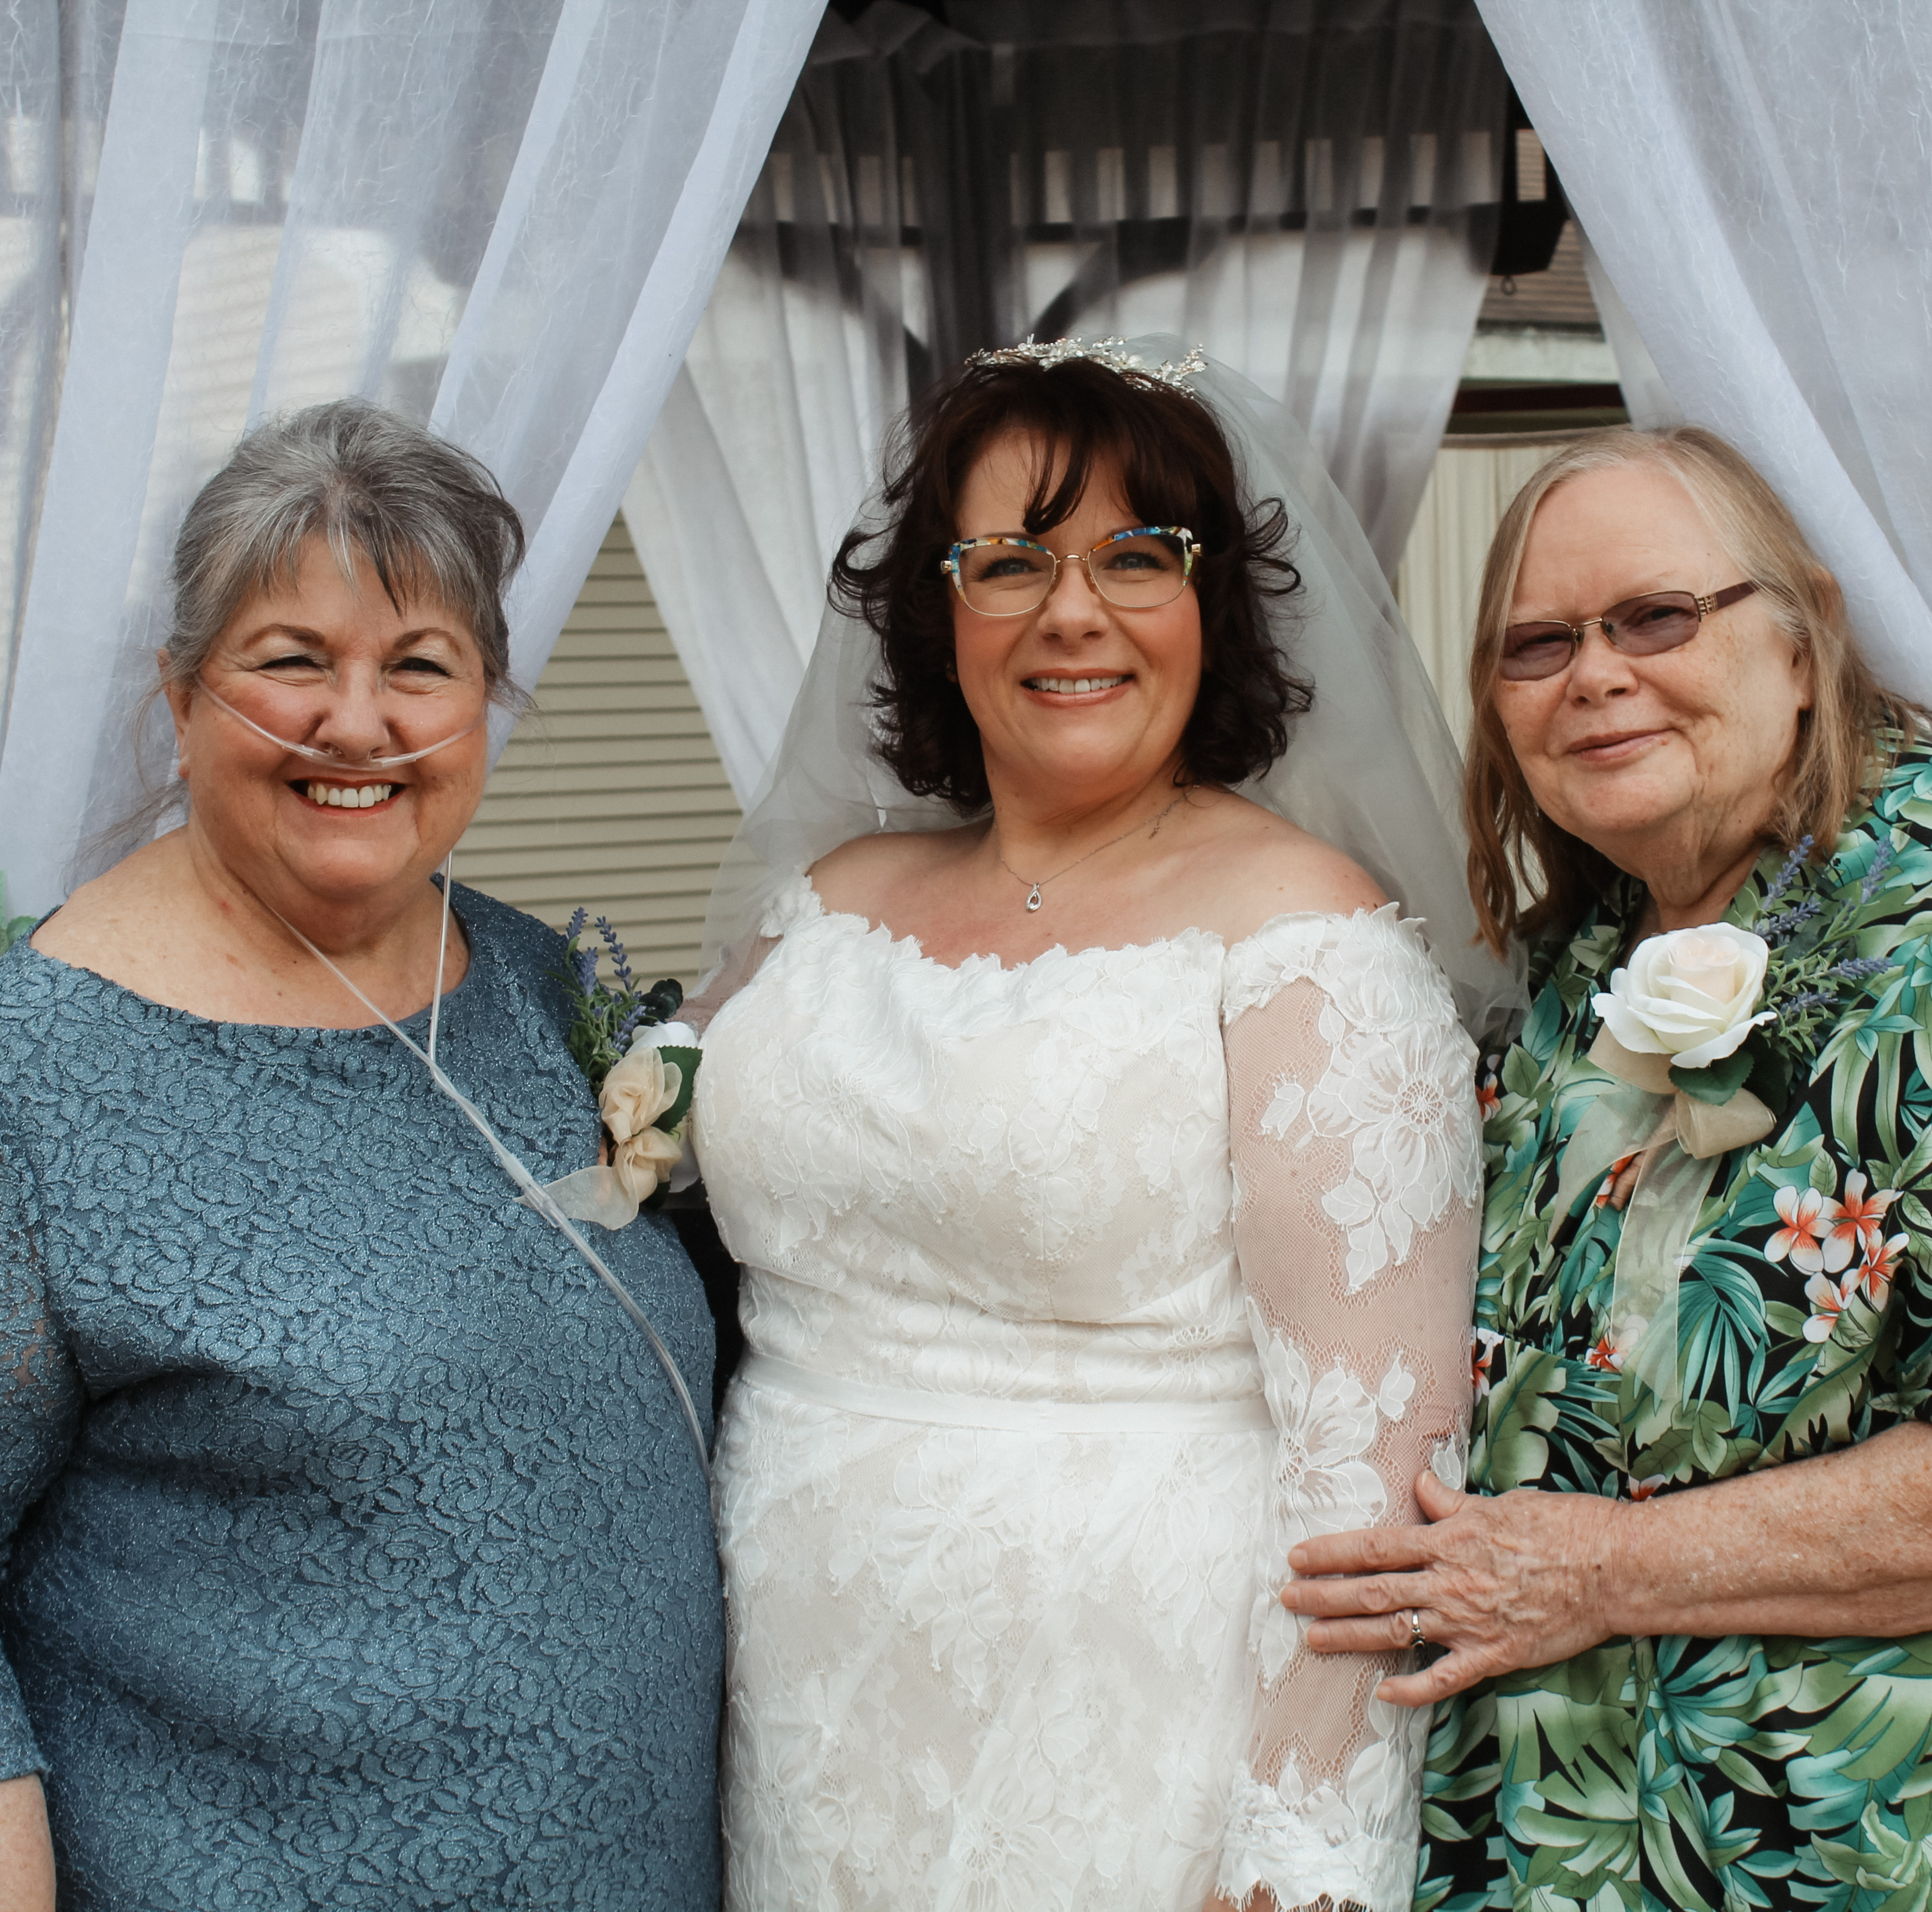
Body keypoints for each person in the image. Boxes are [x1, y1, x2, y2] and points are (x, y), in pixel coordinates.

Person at [1281, 427, 1932, 1911]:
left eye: (1655, 616)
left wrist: (1597, 1571)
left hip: (1921, 1842)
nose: (1593, 674)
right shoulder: (1577, 965)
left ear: (1805, 641)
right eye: (1536, 644)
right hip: (1599, 1842)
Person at [0, 401, 722, 1911]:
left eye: (419, 667)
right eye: (291, 662)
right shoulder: (25, 1086)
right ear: (182, 693)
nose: (357, 724)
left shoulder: (536, 988)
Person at [683, 339, 1487, 1911]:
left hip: (1139, 1743)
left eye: (1137, 556)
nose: (1073, 610)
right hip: (801, 1718)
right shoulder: (826, 912)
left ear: (1216, 608)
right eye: (1009, 561)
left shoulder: (1307, 939)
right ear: (939, 611)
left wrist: (1302, 1853)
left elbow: (1372, 1465)